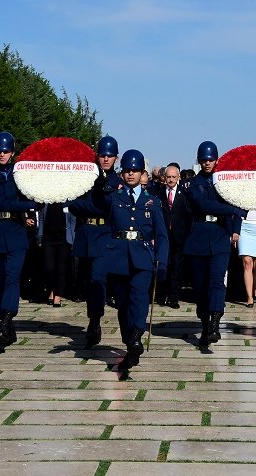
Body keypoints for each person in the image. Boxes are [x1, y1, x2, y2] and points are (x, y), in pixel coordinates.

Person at [94, 149, 169, 370]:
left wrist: (162, 262)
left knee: (139, 297)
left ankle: (136, 334)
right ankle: (130, 342)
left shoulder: (152, 203)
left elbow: (162, 236)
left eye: (135, 171)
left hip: (143, 256)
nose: (131, 174)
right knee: (123, 303)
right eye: (127, 170)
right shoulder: (113, 198)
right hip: (118, 257)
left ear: (142, 173)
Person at [0, 132, 41, 344]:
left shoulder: (22, 177)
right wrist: (28, 206)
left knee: (13, 276)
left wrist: (36, 201)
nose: (2, 155)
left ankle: (6, 318)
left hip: (15, 231)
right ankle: (7, 326)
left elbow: (34, 196)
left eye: (5, 151)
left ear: (12, 153)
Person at [184, 141, 246, 348]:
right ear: (199, 161)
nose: (208, 163)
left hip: (220, 237)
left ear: (217, 160)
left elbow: (237, 201)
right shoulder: (193, 183)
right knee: (201, 287)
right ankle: (204, 324)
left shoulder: (225, 181)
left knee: (217, 282)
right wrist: (230, 210)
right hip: (199, 236)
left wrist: (235, 227)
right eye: (204, 159)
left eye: (211, 159)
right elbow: (202, 204)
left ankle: (215, 323)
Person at [67, 135, 121, 347]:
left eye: (109, 156)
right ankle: (93, 316)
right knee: (87, 282)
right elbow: (72, 203)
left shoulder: (116, 181)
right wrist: (90, 205)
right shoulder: (86, 178)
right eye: (102, 155)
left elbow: (109, 206)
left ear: (116, 158)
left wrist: (87, 205)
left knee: (98, 280)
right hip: (86, 234)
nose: (105, 159)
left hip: (104, 234)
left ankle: (94, 321)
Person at [153, 164, 192, 309]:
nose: (170, 180)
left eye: (173, 177)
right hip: (163, 235)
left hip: (179, 235)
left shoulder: (185, 193)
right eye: (168, 177)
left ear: (179, 177)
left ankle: (174, 297)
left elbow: (189, 215)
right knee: (163, 266)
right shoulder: (157, 193)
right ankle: (161, 295)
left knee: (176, 267)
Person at [37, 203, 75, 307]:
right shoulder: (45, 202)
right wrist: (39, 237)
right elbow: (41, 220)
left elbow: (72, 221)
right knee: (49, 267)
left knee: (61, 268)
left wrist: (72, 239)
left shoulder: (67, 200)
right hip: (48, 239)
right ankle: (51, 289)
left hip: (64, 240)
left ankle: (58, 295)